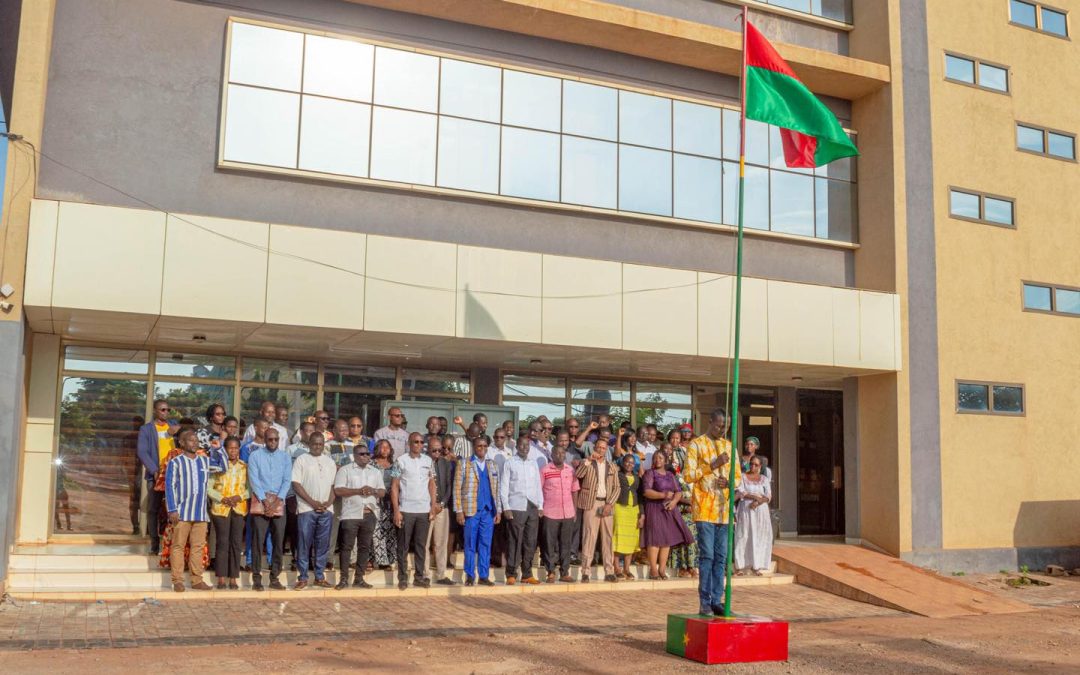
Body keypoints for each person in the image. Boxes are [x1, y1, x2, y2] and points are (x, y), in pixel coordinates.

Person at [685, 408, 742, 616]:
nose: (722, 429)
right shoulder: (696, 444)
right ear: (710, 422)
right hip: (704, 508)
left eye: (725, 426)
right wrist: (712, 465)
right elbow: (689, 475)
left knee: (721, 557)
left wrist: (728, 482)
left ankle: (718, 599)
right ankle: (705, 600)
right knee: (707, 555)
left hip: (723, 510)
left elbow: (738, 478)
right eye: (718, 425)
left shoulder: (729, 446)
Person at [164, 429, 213, 592]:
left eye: (196, 440)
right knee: (178, 545)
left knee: (197, 547)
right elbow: (169, 486)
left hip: (200, 512)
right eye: (191, 440)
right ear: (182, 443)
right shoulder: (175, 462)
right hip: (182, 512)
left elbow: (223, 466)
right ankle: (177, 580)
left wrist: (218, 448)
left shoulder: (205, 461)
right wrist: (172, 509)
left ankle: (196, 580)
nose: (195, 443)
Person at [334, 444, 385, 589]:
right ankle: (343, 579)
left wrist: (373, 490)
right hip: (351, 514)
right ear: (355, 456)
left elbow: (382, 492)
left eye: (368, 454)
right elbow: (338, 490)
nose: (366, 456)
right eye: (362, 454)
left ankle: (359, 578)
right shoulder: (345, 470)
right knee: (346, 547)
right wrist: (358, 491)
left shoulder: (375, 472)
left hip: (369, 514)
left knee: (364, 547)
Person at [247, 428, 292, 591]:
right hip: (261, 501)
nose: (273, 442)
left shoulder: (285, 457)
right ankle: (257, 578)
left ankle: (275, 577)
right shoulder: (255, 456)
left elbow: (287, 480)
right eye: (270, 439)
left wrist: (276, 502)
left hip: (279, 503)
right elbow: (254, 480)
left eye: (275, 439)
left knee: (278, 542)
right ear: (264, 439)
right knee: (258, 541)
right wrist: (266, 502)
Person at [291, 432, 337, 589]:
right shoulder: (301, 460)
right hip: (306, 509)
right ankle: (303, 577)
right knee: (304, 544)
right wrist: (312, 503)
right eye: (314, 443)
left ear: (324, 445)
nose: (317, 446)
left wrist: (327, 503)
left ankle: (319, 576)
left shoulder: (330, 462)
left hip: (326, 510)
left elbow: (333, 486)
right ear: (309, 444)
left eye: (320, 444)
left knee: (322, 545)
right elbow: (296, 484)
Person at [391, 432, 436, 590]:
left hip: (423, 510)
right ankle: (402, 578)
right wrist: (396, 510)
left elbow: (432, 484)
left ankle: (419, 577)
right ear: (409, 443)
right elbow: (395, 486)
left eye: (421, 442)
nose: (418, 444)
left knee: (420, 545)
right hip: (406, 510)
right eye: (415, 442)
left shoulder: (428, 460)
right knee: (403, 546)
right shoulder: (400, 461)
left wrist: (433, 507)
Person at [454, 435, 501, 586]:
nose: (482, 449)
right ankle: (469, 575)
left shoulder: (492, 465)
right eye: (479, 446)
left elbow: (497, 489)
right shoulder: (464, 464)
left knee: (485, 543)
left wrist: (498, 510)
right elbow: (457, 489)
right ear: (474, 447)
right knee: (470, 544)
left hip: (488, 511)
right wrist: (459, 511)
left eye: (485, 446)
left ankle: (483, 575)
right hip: (471, 510)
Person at [642, 449, 694, 580]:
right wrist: (663, 495)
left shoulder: (670, 475)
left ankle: (662, 569)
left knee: (666, 540)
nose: (657, 460)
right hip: (654, 508)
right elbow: (646, 492)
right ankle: (653, 570)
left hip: (669, 509)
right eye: (655, 458)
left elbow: (678, 491)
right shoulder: (650, 473)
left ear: (665, 460)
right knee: (654, 539)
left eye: (660, 458)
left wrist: (674, 501)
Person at [574, 438, 620, 583]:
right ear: (595, 448)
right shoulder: (587, 462)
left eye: (603, 448)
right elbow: (578, 475)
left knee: (607, 538)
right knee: (589, 537)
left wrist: (610, 504)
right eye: (598, 447)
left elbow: (617, 487)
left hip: (606, 503)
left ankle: (609, 571)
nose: (601, 450)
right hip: (591, 503)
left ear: (606, 450)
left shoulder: (612, 466)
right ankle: (585, 572)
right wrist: (588, 459)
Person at [501, 434, 544, 585]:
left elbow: (538, 485)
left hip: (532, 506)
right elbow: (504, 486)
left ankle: (527, 573)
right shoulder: (510, 463)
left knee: (530, 542)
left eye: (527, 445)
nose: (525, 448)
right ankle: (511, 573)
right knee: (515, 541)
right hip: (516, 506)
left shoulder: (533, 464)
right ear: (517, 446)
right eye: (522, 445)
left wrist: (540, 505)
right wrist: (505, 507)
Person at [207, 435, 248, 590]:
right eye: (230, 448)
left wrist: (240, 497)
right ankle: (221, 578)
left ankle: (233, 578)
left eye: (236, 448)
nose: (233, 451)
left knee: (236, 543)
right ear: (224, 449)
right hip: (220, 509)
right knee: (222, 543)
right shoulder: (217, 466)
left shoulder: (244, 467)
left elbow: (250, 489)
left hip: (238, 508)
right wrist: (222, 498)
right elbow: (208, 488)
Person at [136, 399, 176, 554]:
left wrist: (177, 434)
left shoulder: (173, 426)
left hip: (173, 476)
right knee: (153, 509)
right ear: (155, 411)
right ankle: (154, 542)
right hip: (156, 475)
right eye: (162, 410)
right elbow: (142, 452)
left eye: (168, 410)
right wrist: (154, 470)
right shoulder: (146, 429)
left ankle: (171, 543)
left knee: (172, 510)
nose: (165, 412)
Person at [540, 444, 579, 583]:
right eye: (557, 453)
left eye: (562, 453)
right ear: (552, 454)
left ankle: (564, 572)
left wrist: (574, 510)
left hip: (567, 512)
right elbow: (539, 490)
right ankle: (550, 572)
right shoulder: (545, 470)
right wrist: (540, 508)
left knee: (566, 544)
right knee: (549, 543)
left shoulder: (570, 470)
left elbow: (575, 490)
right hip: (550, 512)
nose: (560, 455)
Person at [733, 455, 773, 576]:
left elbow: (768, 495)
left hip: (761, 511)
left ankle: (756, 566)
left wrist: (759, 502)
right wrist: (754, 497)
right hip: (746, 509)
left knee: (759, 536)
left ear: (760, 466)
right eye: (751, 464)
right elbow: (741, 492)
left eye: (756, 465)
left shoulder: (764, 479)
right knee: (743, 535)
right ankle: (739, 567)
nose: (753, 466)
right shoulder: (743, 477)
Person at [425, 435, 456, 586]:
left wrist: (442, 503)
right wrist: (431, 505)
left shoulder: (445, 463)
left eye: (440, 450)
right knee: (424, 543)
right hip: (425, 508)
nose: (437, 453)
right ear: (428, 450)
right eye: (434, 450)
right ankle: (424, 574)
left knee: (441, 542)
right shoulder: (423, 463)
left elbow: (449, 486)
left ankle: (441, 574)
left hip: (442, 508)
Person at [285, 421, 315, 570]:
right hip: (295, 495)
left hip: (313, 496)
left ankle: (309, 559)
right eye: (307, 431)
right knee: (297, 530)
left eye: (312, 430)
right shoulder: (291, 450)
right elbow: (287, 473)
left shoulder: (319, 450)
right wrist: (290, 495)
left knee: (311, 530)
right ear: (301, 432)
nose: (309, 433)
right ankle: (296, 559)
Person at [612, 454, 643, 580]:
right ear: (622, 463)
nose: (629, 464)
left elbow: (640, 497)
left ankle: (627, 568)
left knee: (630, 540)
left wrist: (642, 515)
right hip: (620, 508)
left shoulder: (637, 478)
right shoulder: (617, 475)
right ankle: (616, 568)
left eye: (631, 462)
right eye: (627, 462)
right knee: (618, 538)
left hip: (633, 510)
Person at [371, 440, 398, 570]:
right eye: (382, 447)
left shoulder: (394, 465)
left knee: (389, 532)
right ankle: (380, 561)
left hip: (390, 503)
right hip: (374, 502)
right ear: (377, 449)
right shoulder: (371, 464)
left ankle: (389, 560)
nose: (385, 449)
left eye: (388, 447)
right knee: (376, 532)